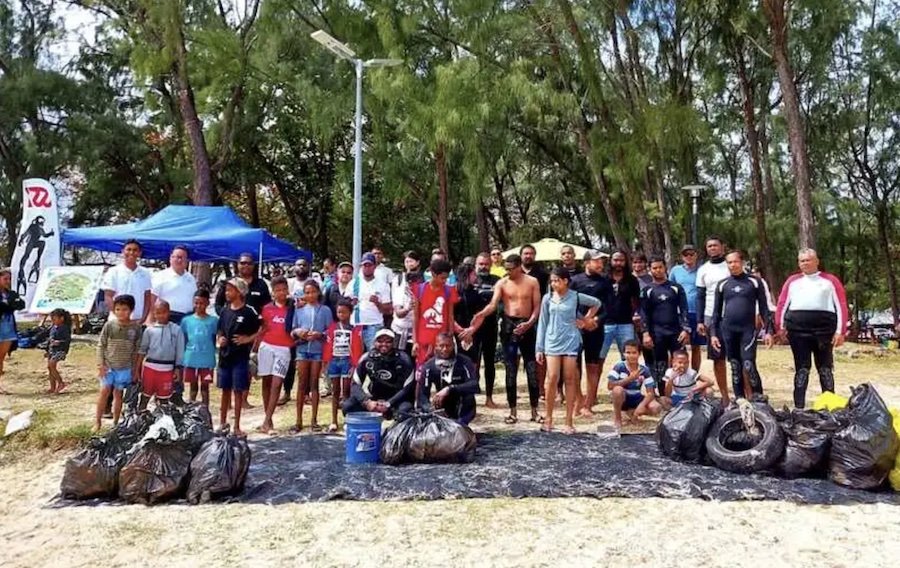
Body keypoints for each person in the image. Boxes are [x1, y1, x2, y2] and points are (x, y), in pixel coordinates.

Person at [471, 254, 541, 424]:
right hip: (509, 326)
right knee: (510, 369)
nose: (508, 272)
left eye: (511, 269)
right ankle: (513, 411)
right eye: (506, 269)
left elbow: (537, 306)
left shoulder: (532, 282)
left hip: (528, 325)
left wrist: (530, 323)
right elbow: (493, 304)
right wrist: (481, 314)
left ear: (519, 267)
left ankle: (534, 411)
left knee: (531, 369)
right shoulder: (502, 283)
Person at [775, 248, 849, 408]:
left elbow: (841, 305)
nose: (805, 263)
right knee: (802, 369)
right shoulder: (792, 281)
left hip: (824, 331)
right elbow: (782, 304)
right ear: (798, 263)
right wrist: (780, 328)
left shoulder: (830, 281)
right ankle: (799, 408)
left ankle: (829, 407)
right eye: (802, 261)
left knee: (825, 369)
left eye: (808, 260)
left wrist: (840, 331)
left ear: (817, 261)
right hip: (797, 331)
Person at [536, 267, 601, 434]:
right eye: (551, 281)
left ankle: (568, 421)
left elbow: (596, 303)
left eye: (556, 280)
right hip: (552, 341)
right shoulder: (547, 298)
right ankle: (548, 418)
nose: (553, 284)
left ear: (565, 281)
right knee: (552, 378)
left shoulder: (575, 296)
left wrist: (586, 320)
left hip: (570, 341)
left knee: (570, 379)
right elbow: (542, 323)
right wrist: (539, 347)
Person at [710, 251, 774, 400]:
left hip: (748, 330)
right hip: (728, 330)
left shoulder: (754, 282)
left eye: (735, 262)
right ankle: (740, 400)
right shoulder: (723, 284)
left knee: (748, 364)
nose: (733, 265)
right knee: (735, 366)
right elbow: (716, 313)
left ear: (742, 262)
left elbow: (764, 308)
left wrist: (768, 331)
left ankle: (759, 398)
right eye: (729, 263)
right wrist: (713, 334)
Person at [215, 253, 271, 410]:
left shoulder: (261, 285)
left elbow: (266, 307)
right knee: (228, 367)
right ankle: (228, 404)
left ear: (254, 265)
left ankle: (243, 398)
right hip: (230, 330)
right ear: (237, 264)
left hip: (251, 331)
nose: (246, 266)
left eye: (249, 263)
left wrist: (258, 332)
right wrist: (228, 316)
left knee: (246, 365)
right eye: (242, 263)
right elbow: (219, 304)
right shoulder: (229, 283)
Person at [216, 278, 261, 437]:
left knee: (238, 391)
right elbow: (220, 330)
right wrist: (219, 340)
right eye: (226, 290)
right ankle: (222, 423)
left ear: (240, 292)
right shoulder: (224, 311)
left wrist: (247, 339)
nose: (227, 293)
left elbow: (261, 328)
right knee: (225, 390)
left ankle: (236, 426)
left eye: (230, 290)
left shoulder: (249, 311)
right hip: (224, 357)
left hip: (240, 358)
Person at [639, 256, 691, 388]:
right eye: (654, 268)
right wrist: (645, 333)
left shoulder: (676, 288)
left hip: (676, 332)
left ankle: (681, 390)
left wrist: (685, 329)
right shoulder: (647, 290)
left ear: (665, 268)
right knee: (660, 364)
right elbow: (644, 313)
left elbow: (684, 309)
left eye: (660, 267)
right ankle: (663, 394)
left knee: (679, 362)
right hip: (657, 333)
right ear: (650, 270)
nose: (658, 270)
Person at [342, 329, 416, 419]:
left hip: (396, 400)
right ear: (374, 342)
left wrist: (389, 403)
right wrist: (366, 402)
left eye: (388, 342)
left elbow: (408, 387)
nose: (384, 344)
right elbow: (355, 384)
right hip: (374, 400)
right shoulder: (366, 358)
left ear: (394, 343)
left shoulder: (404, 359)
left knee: (406, 410)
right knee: (348, 406)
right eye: (380, 341)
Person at [570, 250, 609, 416]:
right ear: (587, 262)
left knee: (593, 367)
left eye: (602, 261)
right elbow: (568, 304)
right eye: (597, 261)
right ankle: (578, 400)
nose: (600, 264)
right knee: (574, 368)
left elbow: (608, 308)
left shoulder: (606, 281)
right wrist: (581, 320)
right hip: (577, 330)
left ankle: (588, 404)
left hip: (595, 329)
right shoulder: (574, 280)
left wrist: (596, 320)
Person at [291, 279, 333, 432]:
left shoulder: (325, 310)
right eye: (307, 292)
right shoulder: (299, 310)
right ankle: (298, 420)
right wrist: (299, 332)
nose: (310, 295)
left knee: (314, 383)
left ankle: (314, 420)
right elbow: (293, 329)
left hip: (317, 351)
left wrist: (320, 334)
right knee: (302, 384)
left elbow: (330, 330)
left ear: (318, 293)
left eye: (313, 292)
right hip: (302, 349)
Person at [95, 294, 142, 431]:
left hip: (125, 368)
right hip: (108, 366)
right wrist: (100, 364)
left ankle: (116, 422)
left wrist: (135, 370)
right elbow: (101, 345)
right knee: (104, 391)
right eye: (118, 309)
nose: (121, 312)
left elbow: (137, 351)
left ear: (131, 310)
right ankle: (97, 421)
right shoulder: (109, 325)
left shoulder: (136, 328)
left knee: (118, 394)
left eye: (125, 309)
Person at [695, 236, 732, 405]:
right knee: (718, 358)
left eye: (715, 245)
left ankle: (746, 395)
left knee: (739, 358)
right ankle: (724, 397)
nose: (712, 248)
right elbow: (700, 296)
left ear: (722, 247)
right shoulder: (703, 269)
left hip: (733, 314)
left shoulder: (731, 265)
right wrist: (700, 320)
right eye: (709, 246)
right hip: (712, 317)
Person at [255, 277, 295, 433]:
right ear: (273, 292)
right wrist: (255, 346)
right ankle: (268, 420)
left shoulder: (293, 308)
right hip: (266, 347)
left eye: (284, 290)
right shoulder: (267, 309)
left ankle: (266, 421)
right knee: (266, 382)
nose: (281, 293)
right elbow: (262, 329)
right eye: (278, 290)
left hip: (284, 349)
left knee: (277, 384)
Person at [417, 333, 479, 425]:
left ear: (454, 346)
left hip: (463, 405)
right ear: (436, 346)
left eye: (448, 346)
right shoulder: (429, 366)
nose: (445, 349)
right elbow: (422, 396)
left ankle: (461, 423)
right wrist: (430, 409)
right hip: (442, 405)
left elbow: (474, 386)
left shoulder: (464, 361)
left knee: (468, 398)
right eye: (441, 346)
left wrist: (450, 389)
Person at [323, 299, 364, 432]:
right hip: (334, 361)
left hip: (347, 361)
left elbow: (358, 349)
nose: (341, 315)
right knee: (335, 391)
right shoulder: (332, 328)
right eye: (339, 312)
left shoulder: (354, 330)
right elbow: (328, 345)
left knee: (346, 391)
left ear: (350, 313)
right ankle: (333, 421)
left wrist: (355, 365)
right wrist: (326, 362)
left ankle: (346, 419)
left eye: (344, 312)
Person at [137, 300, 185, 410]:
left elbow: (180, 351)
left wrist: (178, 368)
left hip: (167, 369)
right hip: (150, 368)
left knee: (164, 400)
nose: (161, 315)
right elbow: (142, 350)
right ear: (154, 313)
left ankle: (161, 423)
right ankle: (140, 421)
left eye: (164, 312)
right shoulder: (150, 330)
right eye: (158, 313)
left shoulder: (176, 330)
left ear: (169, 312)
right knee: (145, 397)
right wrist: (137, 370)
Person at [412, 259, 460, 366]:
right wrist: (415, 341)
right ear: (433, 274)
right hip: (423, 340)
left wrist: (450, 338)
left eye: (446, 278)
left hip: (442, 341)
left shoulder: (449, 290)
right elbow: (415, 317)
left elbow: (451, 316)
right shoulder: (419, 289)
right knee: (422, 374)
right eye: (442, 278)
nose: (444, 281)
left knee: (442, 372)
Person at [599, 250, 641, 368]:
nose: (618, 263)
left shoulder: (632, 280)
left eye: (621, 260)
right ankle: (594, 387)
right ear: (611, 261)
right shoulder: (602, 279)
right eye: (616, 260)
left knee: (629, 359)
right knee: (599, 359)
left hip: (626, 324)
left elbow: (636, 301)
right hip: (605, 324)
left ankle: (630, 385)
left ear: (625, 262)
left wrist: (636, 316)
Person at [607, 340, 660, 433]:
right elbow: (610, 385)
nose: (631, 355)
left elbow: (651, 392)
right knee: (617, 390)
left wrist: (642, 405)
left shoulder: (644, 370)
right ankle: (618, 418)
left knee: (656, 407)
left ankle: (633, 412)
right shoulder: (619, 366)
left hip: (636, 397)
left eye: (634, 353)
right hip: (623, 397)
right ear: (623, 354)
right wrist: (629, 379)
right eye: (628, 352)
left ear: (639, 354)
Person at [180, 289, 218, 407]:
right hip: (191, 358)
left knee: (205, 387)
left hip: (206, 359)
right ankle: (191, 410)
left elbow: (213, 338)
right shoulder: (187, 321)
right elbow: (184, 339)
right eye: (196, 303)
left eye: (201, 303)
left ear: (207, 303)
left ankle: (205, 410)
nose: (198, 306)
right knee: (193, 386)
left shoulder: (213, 321)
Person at [472, 253, 501, 407]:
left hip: (490, 326)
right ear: (476, 264)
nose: (483, 267)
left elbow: (498, 302)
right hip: (473, 326)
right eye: (481, 264)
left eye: (486, 264)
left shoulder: (496, 280)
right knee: (472, 362)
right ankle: (471, 396)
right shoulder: (470, 280)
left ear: (491, 265)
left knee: (489, 362)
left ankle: (489, 397)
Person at [669, 244, 704, 371]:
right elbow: (670, 289)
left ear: (696, 255)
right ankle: (676, 375)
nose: (689, 257)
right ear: (681, 256)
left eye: (691, 254)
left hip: (697, 313)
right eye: (686, 254)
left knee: (696, 346)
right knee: (678, 346)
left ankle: (693, 375)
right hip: (680, 313)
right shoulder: (675, 270)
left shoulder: (702, 270)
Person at [347, 253, 392, 350]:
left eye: (369, 265)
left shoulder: (383, 285)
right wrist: (351, 303)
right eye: (364, 265)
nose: (367, 268)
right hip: (356, 325)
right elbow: (345, 306)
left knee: (374, 356)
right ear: (361, 266)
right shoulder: (354, 283)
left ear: (375, 266)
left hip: (374, 325)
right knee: (355, 358)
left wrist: (377, 303)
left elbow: (388, 310)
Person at [148, 245, 197, 325]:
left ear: (187, 260)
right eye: (177, 257)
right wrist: (150, 320)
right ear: (170, 258)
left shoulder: (191, 278)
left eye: (182, 258)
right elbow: (152, 299)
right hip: (167, 317)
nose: (179, 260)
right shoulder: (160, 276)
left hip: (188, 319)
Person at [0, 268, 25, 395]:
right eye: (5, 279)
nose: (8, 281)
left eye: (9, 279)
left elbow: (21, 304)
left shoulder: (11, 293)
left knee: (1, 357)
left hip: (8, 328)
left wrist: (10, 304)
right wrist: (10, 305)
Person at [391, 270, 423, 356]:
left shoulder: (424, 291)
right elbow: (398, 313)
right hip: (400, 332)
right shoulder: (399, 292)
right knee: (400, 357)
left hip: (417, 332)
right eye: (412, 283)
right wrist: (408, 308)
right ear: (408, 283)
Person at [45, 308, 72, 394]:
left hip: (60, 350)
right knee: (50, 367)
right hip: (52, 350)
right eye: (52, 318)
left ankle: (61, 383)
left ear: (61, 318)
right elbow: (50, 339)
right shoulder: (53, 327)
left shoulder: (64, 328)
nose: (53, 320)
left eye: (54, 318)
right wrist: (47, 348)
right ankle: (52, 387)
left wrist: (59, 342)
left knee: (52, 365)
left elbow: (67, 340)